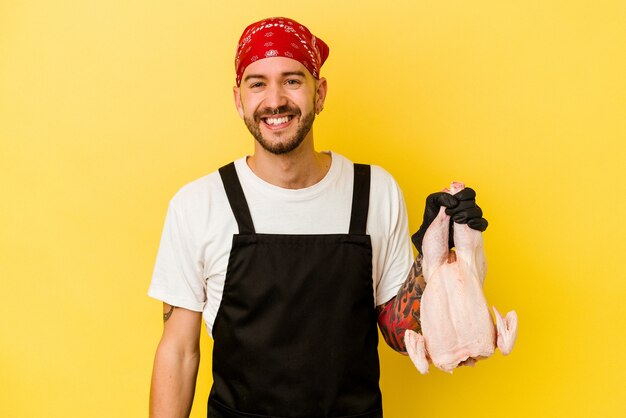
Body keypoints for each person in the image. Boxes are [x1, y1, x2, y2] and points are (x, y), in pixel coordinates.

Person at [148, 17, 488, 418]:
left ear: (320, 92)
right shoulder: (199, 203)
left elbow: (401, 334)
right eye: (257, 83)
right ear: (239, 99)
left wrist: (436, 259)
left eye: (292, 80)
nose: (275, 100)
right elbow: (179, 351)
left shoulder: (374, 191)